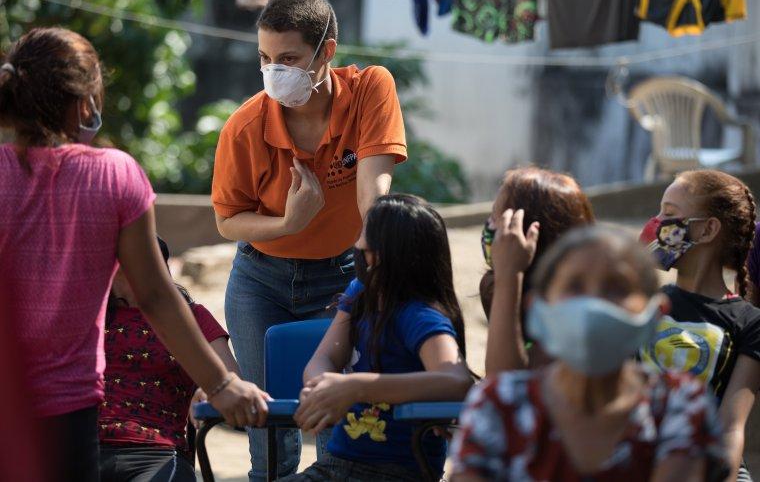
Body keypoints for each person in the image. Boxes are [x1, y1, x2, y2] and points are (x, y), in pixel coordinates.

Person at [0, 27, 268, 482]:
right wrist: (221, 385)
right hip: (70, 413)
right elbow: (156, 295)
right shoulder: (113, 176)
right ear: (85, 102)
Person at [211, 0, 407, 479]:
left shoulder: (370, 89)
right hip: (260, 283)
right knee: (269, 436)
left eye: (289, 59)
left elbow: (373, 191)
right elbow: (228, 220)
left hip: (341, 277)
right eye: (265, 58)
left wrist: (377, 262)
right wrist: (289, 223)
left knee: (337, 426)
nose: (274, 71)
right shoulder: (244, 128)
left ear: (326, 52)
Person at [451, 226, 727, 482]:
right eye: (574, 286)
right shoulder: (499, 404)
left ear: (655, 312)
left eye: (617, 288)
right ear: (540, 308)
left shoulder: (679, 402)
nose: (593, 301)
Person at [282, 194, 473, 481]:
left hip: (396, 473)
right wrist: (321, 386)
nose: (357, 244)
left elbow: (457, 381)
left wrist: (357, 387)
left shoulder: (419, 315)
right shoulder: (361, 292)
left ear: (382, 254)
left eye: (365, 240)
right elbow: (325, 357)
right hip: (336, 464)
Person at [638, 169, 760, 481]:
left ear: (707, 230)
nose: (656, 224)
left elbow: (731, 427)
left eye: (669, 214)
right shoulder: (642, 304)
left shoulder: (750, 323)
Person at [98, 237, 251, 482]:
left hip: (156, 450)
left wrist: (208, 388)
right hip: (83, 445)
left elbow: (232, 380)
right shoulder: (88, 314)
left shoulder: (192, 316)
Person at [480, 167, 594, 374]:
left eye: (498, 218)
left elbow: (505, 382)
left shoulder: (573, 303)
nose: (490, 226)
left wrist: (510, 274)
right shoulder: (494, 284)